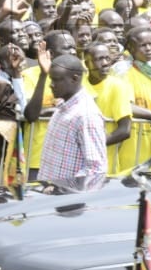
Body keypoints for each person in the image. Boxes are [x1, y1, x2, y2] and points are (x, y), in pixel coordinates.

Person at [36, 52, 107, 189]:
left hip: (66, 196)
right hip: (50, 192)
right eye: (51, 79)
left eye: (56, 80)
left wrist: (61, 189)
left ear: (74, 79)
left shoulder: (86, 115)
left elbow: (95, 169)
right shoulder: (63, 107)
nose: (51, 85)